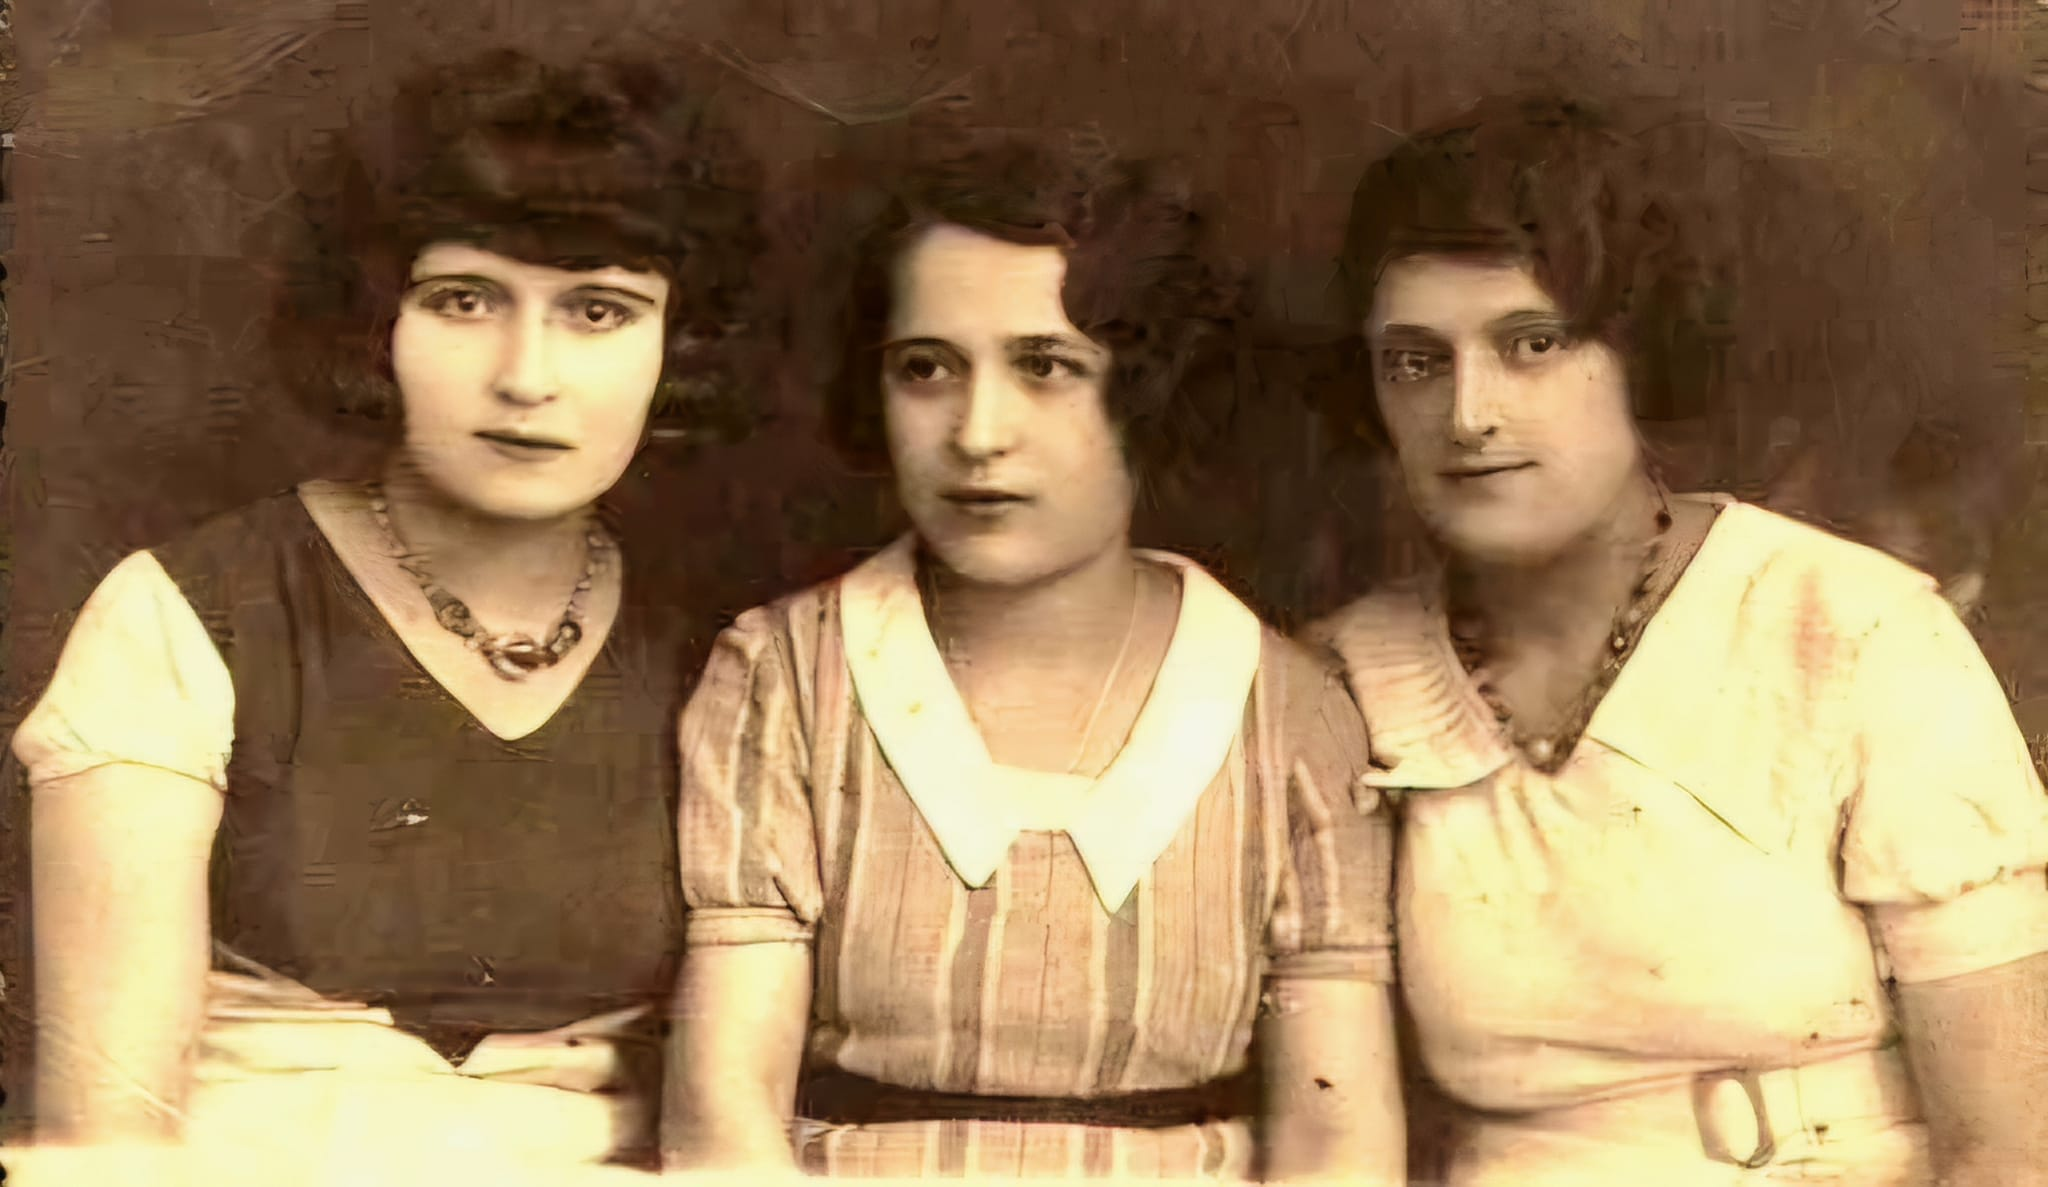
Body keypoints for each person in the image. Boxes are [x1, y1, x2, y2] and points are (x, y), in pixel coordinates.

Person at [11, 48, 761, 1180]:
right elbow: (104, 1141)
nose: (526, 375)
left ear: (681, 345)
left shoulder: (722, 650)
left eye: (599, 311)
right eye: (463, 300)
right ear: (375, 322)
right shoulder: (187, 614)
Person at [1312, 93, 2048, 1186]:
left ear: (1640, 356)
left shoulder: (1852, 631)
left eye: (1532, 344)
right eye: (1415, 361)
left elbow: (2011, 1148)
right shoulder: (1341, 677)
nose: (1467, 415)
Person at [662, 131, 1405, 1181]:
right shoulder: (784, 676)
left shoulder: (1288, 709)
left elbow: (1337, 1147)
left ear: (1153, 388)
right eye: (926, 369)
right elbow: (722, 1132)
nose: (976, 432)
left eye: (1045, 367)